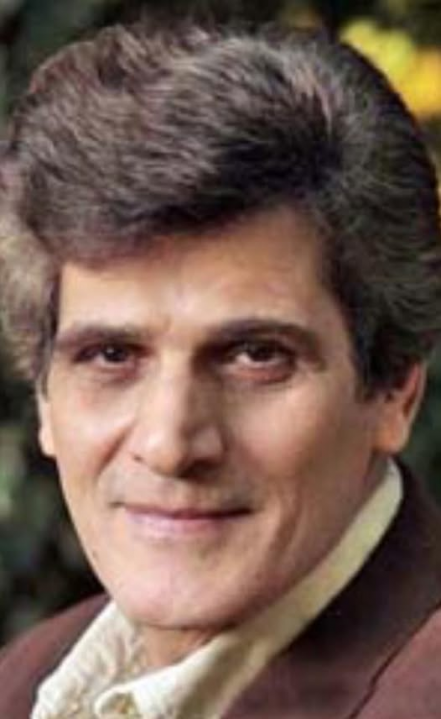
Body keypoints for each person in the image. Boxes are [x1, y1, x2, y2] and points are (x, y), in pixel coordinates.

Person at [0, 19, 441, 719]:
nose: (169, 444)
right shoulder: (23, 680)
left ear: (394, 389)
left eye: (255, 356)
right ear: (46, 400)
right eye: (111, 355)